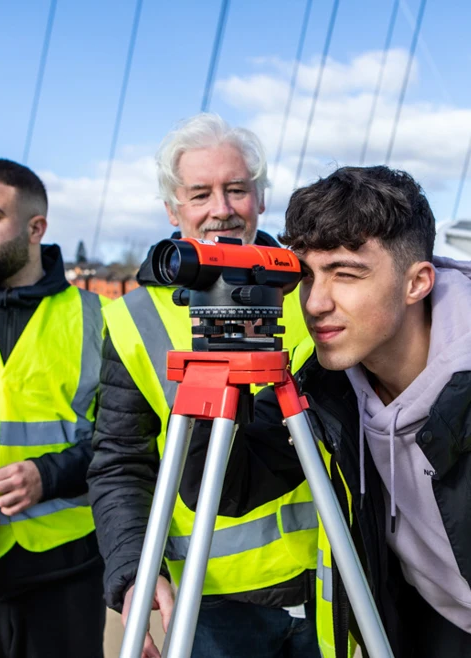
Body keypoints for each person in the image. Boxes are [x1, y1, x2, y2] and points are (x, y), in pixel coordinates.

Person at [181, 164, 471, 657]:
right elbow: (230, 487)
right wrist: (221, 370)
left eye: (345, 273)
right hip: (431, 623)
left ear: (417, 282)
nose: (314, 303)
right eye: (307, 275)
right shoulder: (324, 387)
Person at [87, 113, 320, 658]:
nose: (222, 208)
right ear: (174, 210)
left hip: (329, 582)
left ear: (260, 199)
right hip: (208, 602)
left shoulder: (314, 288)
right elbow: (121, 460)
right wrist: (132, 575)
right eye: (200, 194)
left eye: (236, 189)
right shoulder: (134, 318)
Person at [0, 158, 108, 658]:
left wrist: (48, 476)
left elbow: (127, 440)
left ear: (36, 228)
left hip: (66, 570)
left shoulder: (95, 317)